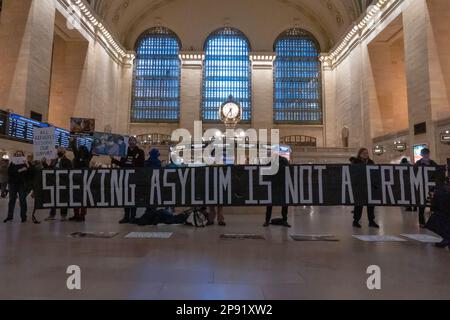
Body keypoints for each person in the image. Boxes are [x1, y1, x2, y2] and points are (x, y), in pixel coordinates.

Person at [111, 136, 145, 224]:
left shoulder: (140, 152)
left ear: (136, 142)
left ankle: (133, 217)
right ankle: (126, 217)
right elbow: (122, 164)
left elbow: (142, 165)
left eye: (133, 140)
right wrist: (113, 160)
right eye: (130, 140)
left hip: (135, 178)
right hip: (126, 178)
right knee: (126, 197)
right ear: (128, 142)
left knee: (134, 198)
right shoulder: (124, 152)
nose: (131, 142)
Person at [351, 148, 379, 229]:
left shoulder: (371, 162)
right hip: (359, 187)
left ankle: (371, 221)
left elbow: (375, 173)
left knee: (371, 205)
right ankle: (356, 221)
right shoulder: (355, 162)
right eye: (364, 153)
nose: (365, 154)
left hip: (370, 187)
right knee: (359, 205)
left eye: (367, 153)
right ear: (360, 154)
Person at [44, 147, 73, 222]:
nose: (59, 152)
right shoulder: (54, 161)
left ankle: (63, 215)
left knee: (63, 199)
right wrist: (44, 163)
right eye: (58, 151)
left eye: (61, 151)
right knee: (53, 199)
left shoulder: (68, 161)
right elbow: (48, 169)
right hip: (54, 182)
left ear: (64, 152)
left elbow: (70, 171)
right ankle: (52, 214)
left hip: (63, 182)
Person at [69, 137, 93, 222]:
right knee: (79, 198)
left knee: (79, 198)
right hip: (79, 181)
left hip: (80, 181)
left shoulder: (83, 157)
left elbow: (75, 149)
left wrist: (73, 141)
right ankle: (79, 215)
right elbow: (91, 150)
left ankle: (80, 215)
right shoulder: (86, 157)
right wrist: (73, 141)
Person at [264, 155, 291, 227]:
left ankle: (267, 221)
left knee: (270, 204)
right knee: (284, 203)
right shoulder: (284, 161)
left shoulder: (274, 161)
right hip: (282, 185)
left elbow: (265, 169)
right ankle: (284, 220)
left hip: (275, 184)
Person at [4, 151, 30, 223]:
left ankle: (23, 217)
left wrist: (27, 164)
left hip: (22, 184)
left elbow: (30, 172)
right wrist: (20, 170)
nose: (18, 155)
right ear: (15, 156)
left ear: (23, 155)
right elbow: (10, 172)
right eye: (17, 154)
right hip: (12, 184)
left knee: (22, 200)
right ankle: (10, 217)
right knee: (11, 200)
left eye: (20, 154)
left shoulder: (25, 163)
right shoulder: (12, 163)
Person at [415, 148, 438, 228]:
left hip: (431, 187)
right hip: (422, 187)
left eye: (427, 154)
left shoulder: (432, 163)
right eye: (424, 154)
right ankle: (422, 222)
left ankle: (434, 222)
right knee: (422, 205)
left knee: (434, 205)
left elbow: (437, 172)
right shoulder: (418, 163)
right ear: (422, 155)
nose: (426, 155)